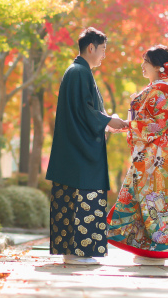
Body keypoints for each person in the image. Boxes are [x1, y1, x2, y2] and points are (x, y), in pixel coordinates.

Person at [46, 27, 128, 265]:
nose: (103, 55)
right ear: (91, 47)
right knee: (83, 199)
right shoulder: (80, 72)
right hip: (79, 153)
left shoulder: (76, 71)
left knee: (70, 200)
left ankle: (71, 252)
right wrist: (107, 120)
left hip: (73, 149)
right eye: (102, 50)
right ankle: (78, 253)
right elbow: (85, 111)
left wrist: (105, 122)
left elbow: (85, 111)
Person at [107, 44, 168, 265]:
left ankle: (156, 251)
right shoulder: (159, 93)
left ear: (157, 67)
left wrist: (127, 125)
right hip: (156, 157)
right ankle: (150, 250)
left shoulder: (158, 94)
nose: (142, 66)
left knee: (151, 203)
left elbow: (157, 124)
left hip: (152, 158)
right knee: (152, 203)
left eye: (145, 62)